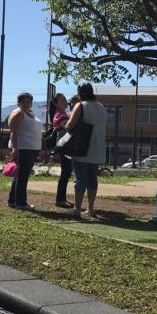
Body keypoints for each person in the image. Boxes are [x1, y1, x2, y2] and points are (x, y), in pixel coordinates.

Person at [65, 83, 107, 218]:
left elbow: (70, 126)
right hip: (98, 149)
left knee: (80, 179)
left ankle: (77, 209)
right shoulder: (102, 107)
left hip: (82, 148)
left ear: (80, 93)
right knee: (92, 179)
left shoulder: (80, 105)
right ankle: (91, 209)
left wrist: (65, 125)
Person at [7, 92, 43, 210]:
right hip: (23, 148)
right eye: (23, 101)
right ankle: (21, 203)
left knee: (19, 176)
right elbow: (14, 132)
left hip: (31, 148)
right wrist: (15, 149)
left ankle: (13, 201)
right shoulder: (18, 113)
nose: (26, 104)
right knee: (23, 177)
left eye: (28, 101)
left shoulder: (30, 113)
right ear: (19, 103)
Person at [53, 93, 74, 208]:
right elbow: (67, 126)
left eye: (65, 100)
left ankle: (62, 198)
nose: (65, 102)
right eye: (62, 100)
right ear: (56, 103)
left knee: (66, 172)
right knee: (65, 172)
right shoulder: (61, 116)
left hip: (64, 146)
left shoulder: (63, 114)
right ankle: (60, 199)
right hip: (64, 147)